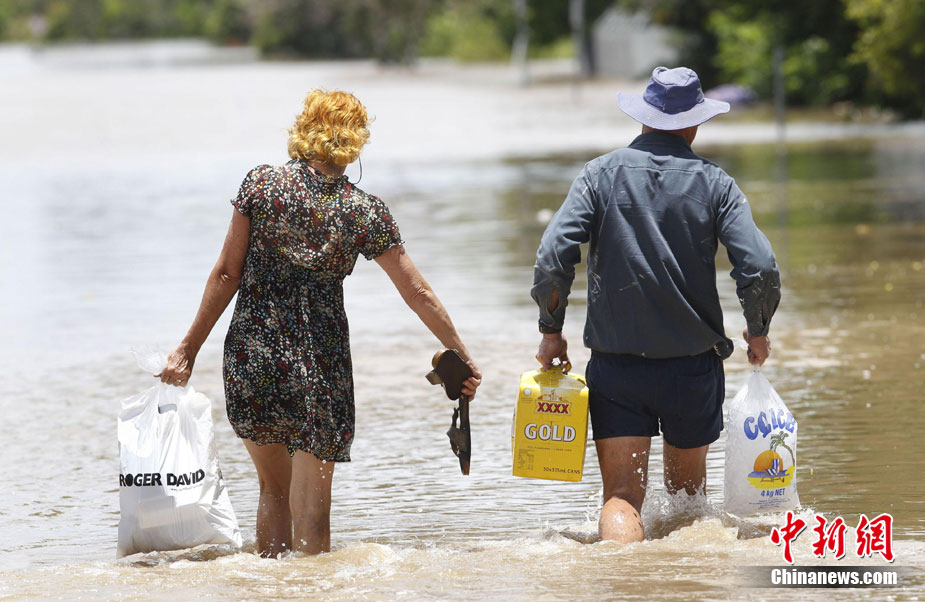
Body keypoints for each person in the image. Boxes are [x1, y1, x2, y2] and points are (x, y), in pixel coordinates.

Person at [157, 90, 481, 557]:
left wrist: (187, 349)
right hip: (317, 368)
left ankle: (272, 587)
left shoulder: (260, 186)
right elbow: (417, 292)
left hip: (254, 358)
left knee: (272, 490)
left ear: (304, 131)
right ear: (356, 142)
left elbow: (227, 274)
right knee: (312, 512)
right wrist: (463, 354)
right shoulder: (365, 210)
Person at [531, 67, 780, 543]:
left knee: (622, 497)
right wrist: (758, 327)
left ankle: (624, 582)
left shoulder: (599, 175)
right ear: (695, 123)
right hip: (691, 369)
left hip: (618, 367)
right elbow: (760, 266)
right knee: (688, 501)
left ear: (644, 118)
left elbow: (553, 253)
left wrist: (550, 327)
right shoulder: (716, 183)